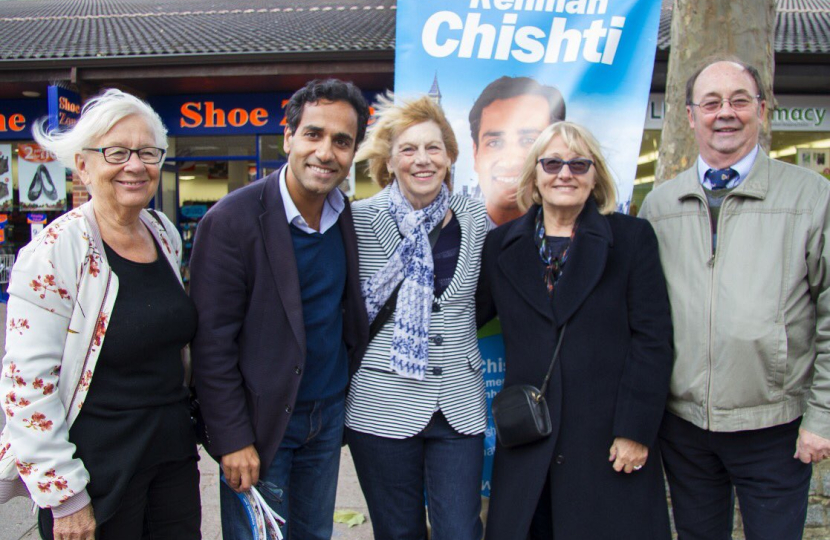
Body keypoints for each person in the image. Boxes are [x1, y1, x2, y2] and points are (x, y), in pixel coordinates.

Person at [639, 56, 830, 540]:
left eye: (739, 100)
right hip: (684, 428)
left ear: (762, 111)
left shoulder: (810, 197)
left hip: (774, 425)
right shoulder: (660, 205)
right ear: (689, 116)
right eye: (711, 102)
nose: (725, 112)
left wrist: (823, 416)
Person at [0, 89, 200, 539]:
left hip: (171, 457)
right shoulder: (54, 253)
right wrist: (64, 497)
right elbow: (26, 388)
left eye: (148, 152)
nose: (135, 165)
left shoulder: (162, 232)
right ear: (83, 166)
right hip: (98, 467)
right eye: (116, 151)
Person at [189, 79, 370, 540]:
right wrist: (232, 439)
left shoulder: (343, 215)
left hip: (326, 418)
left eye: (342, 141)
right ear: (288, 137)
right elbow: (211, 345)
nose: (326, 152)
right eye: (313, 134)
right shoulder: (231, 221)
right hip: (261, 425)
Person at [477, 121, 674, 539]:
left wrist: (635, 431)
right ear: (534, 176)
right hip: (529, 444)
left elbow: (653, 341)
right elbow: (463, 317)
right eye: (552, 163)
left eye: (578, 164)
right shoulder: (500, 247)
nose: (565, 173)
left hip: (606, 445)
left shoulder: (632, 239)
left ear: (595, 175)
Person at [345, 95, 489, 540]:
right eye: (408, 149)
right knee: (398, 531)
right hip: (382, 404)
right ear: (389, 162)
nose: (422, 160)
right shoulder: (356, 221)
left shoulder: (476, 217)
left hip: (457, 404)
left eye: (433, 148)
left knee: (460, 531)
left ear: (450, 157)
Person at [469, 76, 566, 226]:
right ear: (476, 154)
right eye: (495, 143)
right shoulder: (447, 237)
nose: (510, 161)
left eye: (529, 141)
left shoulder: (589, 241)